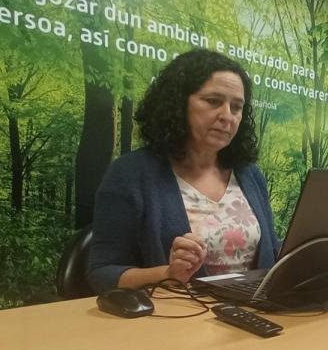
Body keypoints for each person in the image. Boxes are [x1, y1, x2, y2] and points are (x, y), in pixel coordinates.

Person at [87, 49, 280, 293]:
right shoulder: (131, 174)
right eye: (213, 101)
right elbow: (101, 273)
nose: (227, 116)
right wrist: (168, 274)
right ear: (178, 103)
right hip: (176, 321)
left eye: (236, 107)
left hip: (253, 315)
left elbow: (272, 251)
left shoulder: (250, 174)